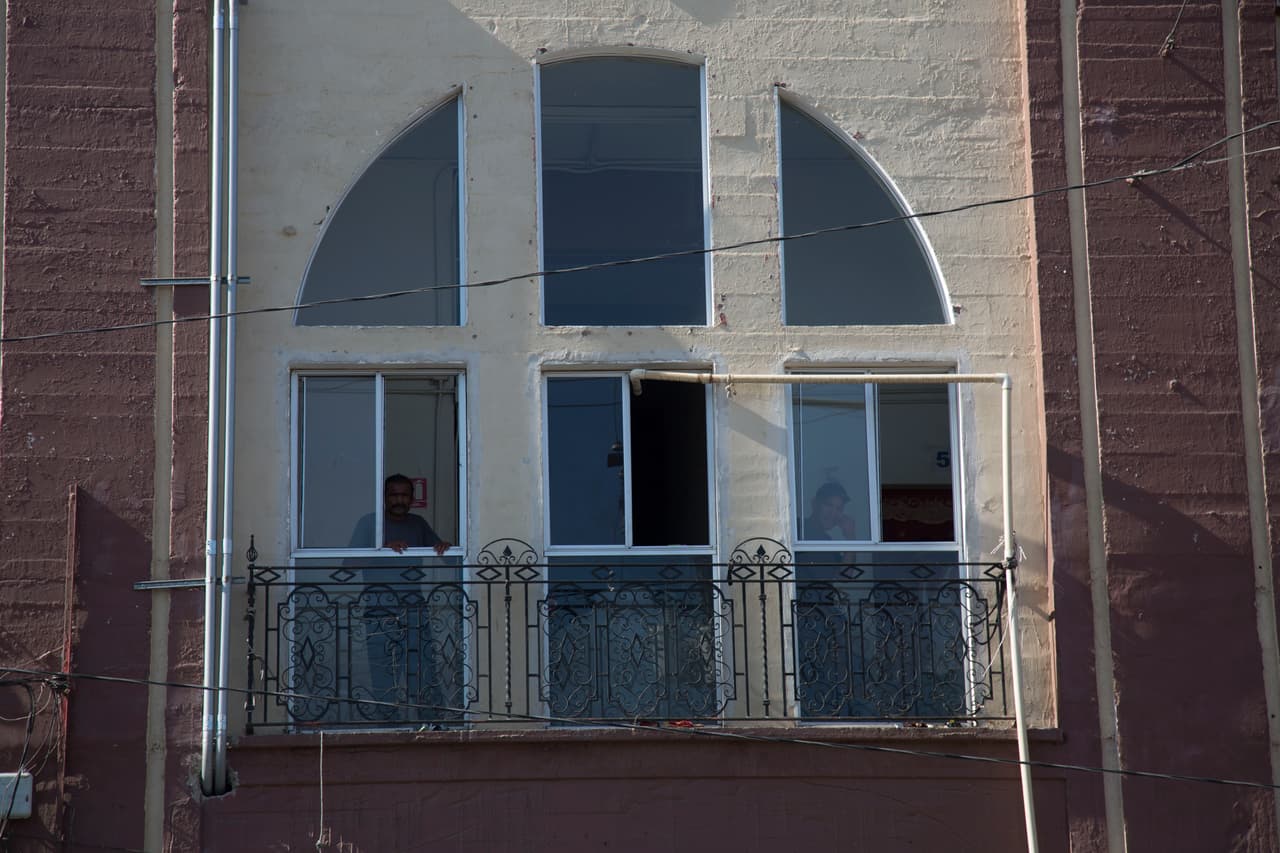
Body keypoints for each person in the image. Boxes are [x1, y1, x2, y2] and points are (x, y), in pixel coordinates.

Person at [349, 473, 452, 555]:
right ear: (383, 497)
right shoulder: (369, 522)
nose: (399, 500)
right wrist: (383, 549)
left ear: (412, 499)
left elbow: (449, 559)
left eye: (404, 495)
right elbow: (349, 565)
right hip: (378, 582)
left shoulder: (418, 523)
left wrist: (446, 548)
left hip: (412, 581)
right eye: (394, 495)